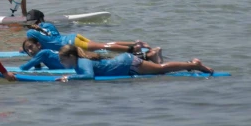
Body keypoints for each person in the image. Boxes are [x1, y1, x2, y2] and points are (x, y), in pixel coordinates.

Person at [55, 44, 212, 81]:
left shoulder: (82, 63)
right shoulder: (78, 63)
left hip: (127, 64)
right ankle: (156, 55)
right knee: (160, 70)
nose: (61, 63)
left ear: (71, 56)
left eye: (62, 59)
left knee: (161, 69)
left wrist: (69, 78)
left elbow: (89, 76)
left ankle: (194, 64)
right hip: (125, 64)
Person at [24, 10, 152, 55]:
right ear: (41, 19)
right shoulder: (48, 25)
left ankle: (134, 50)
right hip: (74, 37)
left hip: (72, 44)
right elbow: (52, 37)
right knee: (102, 45)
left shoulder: (30, 33)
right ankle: (134, 43)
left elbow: (37, 46)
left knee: (103, 47)